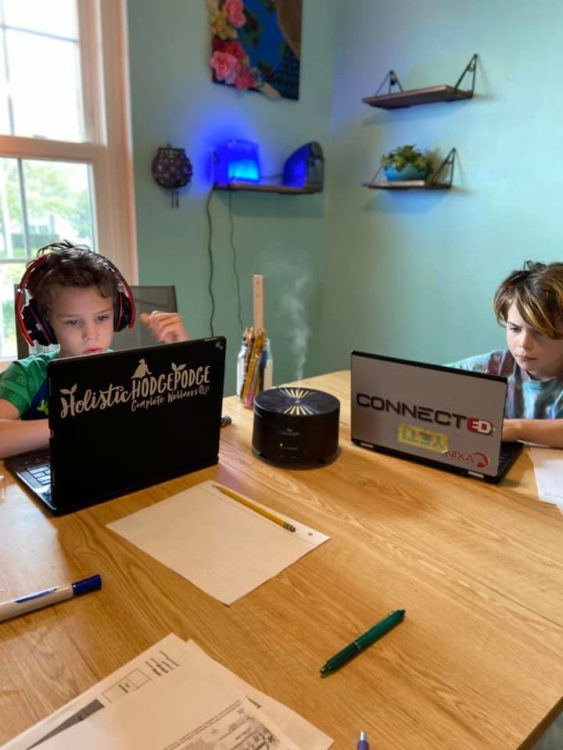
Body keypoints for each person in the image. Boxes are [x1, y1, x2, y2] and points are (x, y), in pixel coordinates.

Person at [0, 240, 189, 459]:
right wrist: (77, 422)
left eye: (101, 318)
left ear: (118, 317)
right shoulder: (27, 375)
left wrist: (184, 352)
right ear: (44, 325)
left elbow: (177, 420)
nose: (91, 334)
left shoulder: (126, 371)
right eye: (73, 322)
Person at [448, 260, 563, 448]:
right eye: (515, 329)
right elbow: (429, 382)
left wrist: (516, 428)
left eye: (540, 332)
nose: (524, 344)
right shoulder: (495, 366)